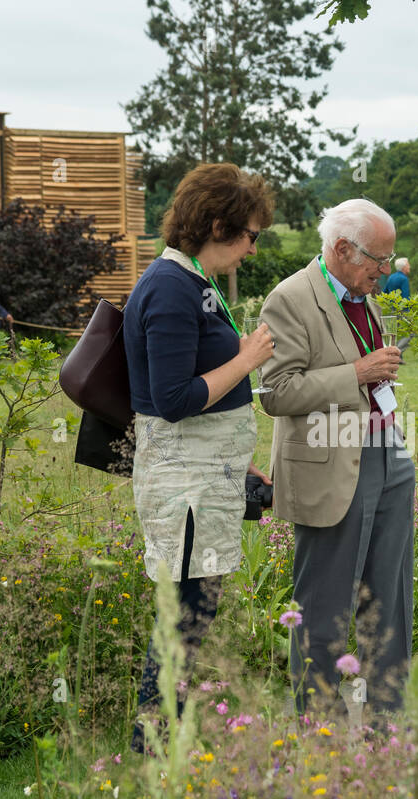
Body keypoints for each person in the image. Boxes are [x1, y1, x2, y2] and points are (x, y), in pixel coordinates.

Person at [122, 162, 276, 755]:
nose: (251, 250)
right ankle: (151, 751)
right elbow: (174, 400)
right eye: (249, 236)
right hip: (181, 490)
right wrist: (249, 357)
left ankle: (162, 745)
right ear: (217, 224)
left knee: (192, 621)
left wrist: (237, 468)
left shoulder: (194, 283)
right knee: (181, 625)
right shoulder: (168, 287)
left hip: (204, 480)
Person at [259, 198, 414, 717]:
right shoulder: (290, 298)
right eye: (378, 259)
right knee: (324, 612)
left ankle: (386, 729)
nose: (385, 271)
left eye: (390, 259)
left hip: (388, 457)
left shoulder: (360, 294)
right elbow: (276, 392)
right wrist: (359, 374)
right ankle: (322, 734)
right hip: (331, 469)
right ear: (343, 248)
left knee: (389, 607)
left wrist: (377, 374)